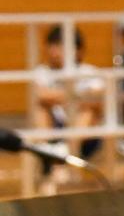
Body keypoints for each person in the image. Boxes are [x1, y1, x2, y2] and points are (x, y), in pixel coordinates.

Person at [29, 25, 107, 164]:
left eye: (60, 46)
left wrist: (59, 97)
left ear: (77, 50)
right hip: (56, 128)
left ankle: (69, 154)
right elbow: (40, 95)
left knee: (88, 111)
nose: (54, 51)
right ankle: (46, 151)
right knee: (40, 107)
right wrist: (78, 96)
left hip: (86, 134)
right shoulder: (42, 71)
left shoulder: (89, 71)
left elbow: (96, 99)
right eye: (52, 45)